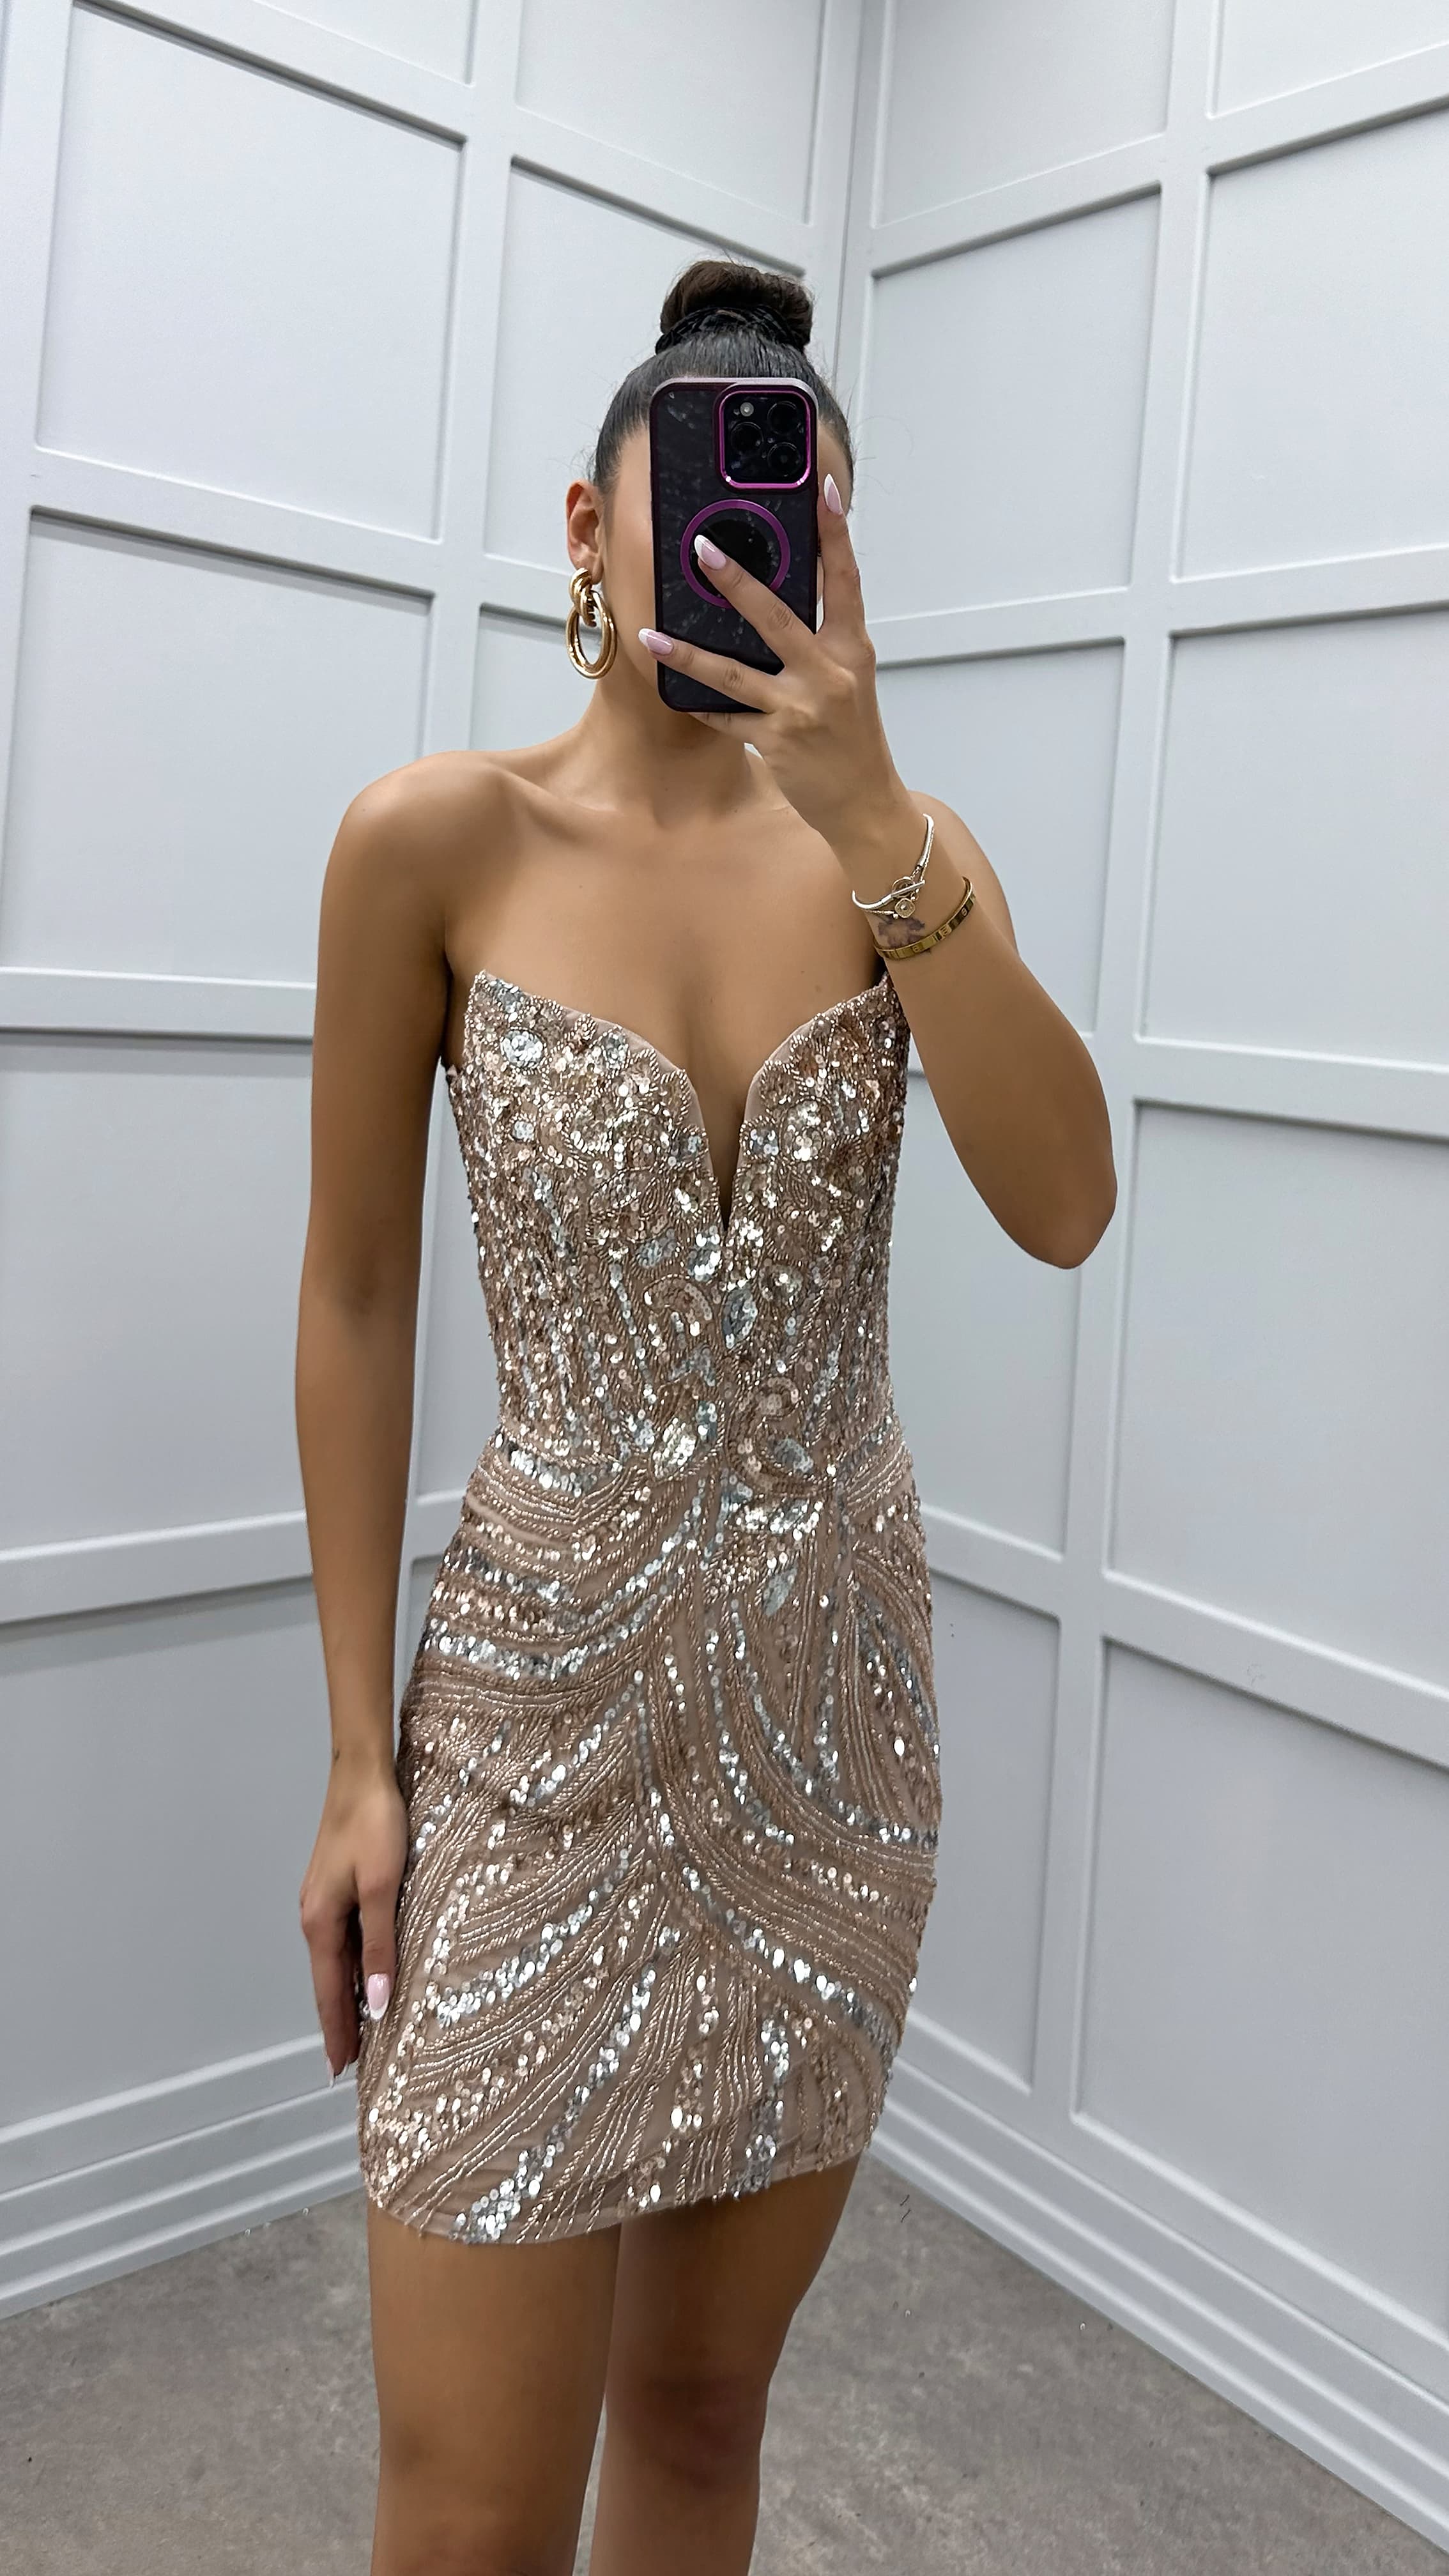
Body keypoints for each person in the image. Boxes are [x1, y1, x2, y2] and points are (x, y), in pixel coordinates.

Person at [295, 256, 1116, 2576]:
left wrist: (871, 822)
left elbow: (1063, 1204)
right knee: (466, 2509)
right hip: (535, 1735)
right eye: (712, 498)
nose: (755, 547)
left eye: (803, 515)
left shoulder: (901, 862)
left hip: (829, 1738)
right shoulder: (432, 841)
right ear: (589, 526)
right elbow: (354, 1295)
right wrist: (357, 1759)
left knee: (697, 2413)